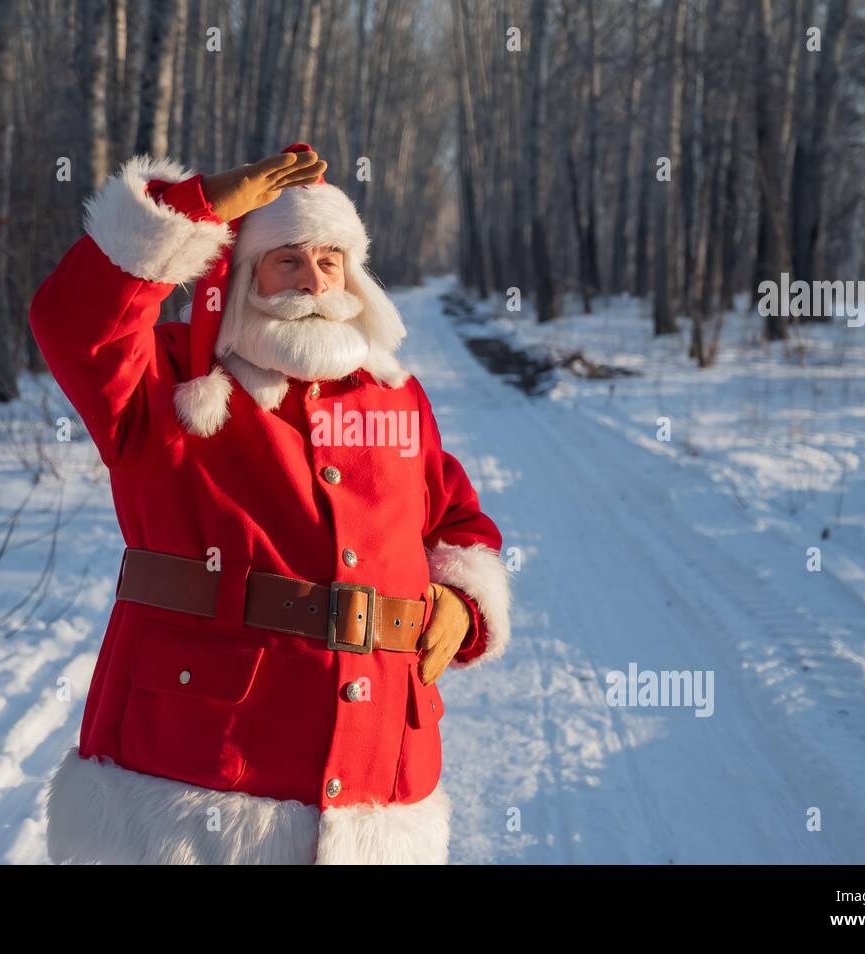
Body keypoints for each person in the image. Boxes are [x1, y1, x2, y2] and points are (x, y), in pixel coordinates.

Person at [29, 142, 512, 864]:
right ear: (245, 274)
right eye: (287, 258)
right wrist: (193, 210)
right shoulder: (168, 380)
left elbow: (454, 522)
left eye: (329, 260)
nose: (312, 280)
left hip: (378, 781)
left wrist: (462, 602)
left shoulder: (394, 397)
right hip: (194, 781)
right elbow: (72, 320)